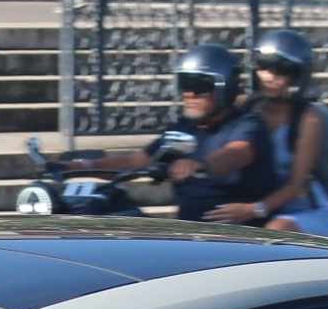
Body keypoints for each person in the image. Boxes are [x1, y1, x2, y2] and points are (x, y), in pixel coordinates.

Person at [86, 43, 276, 221]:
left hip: (236, 233)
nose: (188, 94)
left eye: (199, 87)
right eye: (185, 84)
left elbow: (236, 154)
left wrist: (198, 164)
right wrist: (77, 166)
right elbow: (136, 162)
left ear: (224, 88)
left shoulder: (247, 124)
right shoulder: (183, 127)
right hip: (189, 228)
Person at [211, 29, 328, 235]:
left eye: (282, 70)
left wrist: (253, 209)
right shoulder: (244, 106)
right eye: (264, 67)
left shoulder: (309, 119)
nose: (270, 77)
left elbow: (295, 184)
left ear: (298, 75)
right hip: (255, 200)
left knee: (274, 231)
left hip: (301, 208)